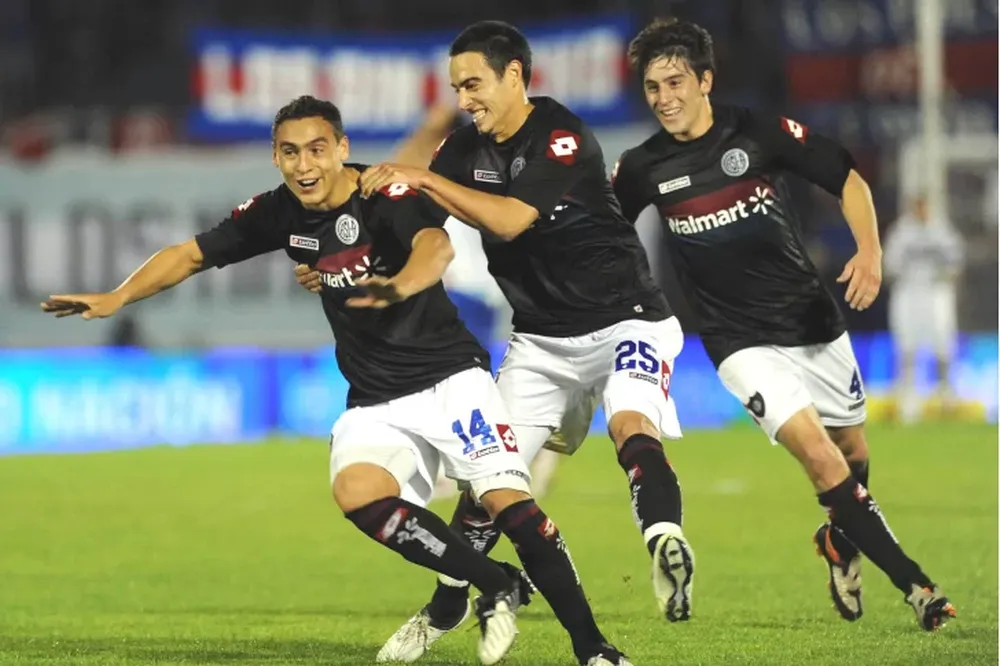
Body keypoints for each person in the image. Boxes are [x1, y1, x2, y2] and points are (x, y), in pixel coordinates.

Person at [41, 95, 625, 666]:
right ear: (275, 157)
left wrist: (397, 286)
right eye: (290, 152)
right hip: (375, 397)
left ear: (342, 149)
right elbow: (191, 254)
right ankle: (494, 584)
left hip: (450, 379)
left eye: (318, 149)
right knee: (357, 494)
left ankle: (593, 650)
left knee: (509, 506)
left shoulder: (383, 193)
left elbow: (436, 246)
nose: (305, 165)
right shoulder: (280, 211)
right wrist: (117, 296)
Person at [297, 19, 691, 664]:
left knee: (632, 422)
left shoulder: (560, 135)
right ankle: (452, 600)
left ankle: (660, 543)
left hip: (627, 319)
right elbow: (404, 219)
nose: (465, 98)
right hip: (538, 343)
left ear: (515, 76)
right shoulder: (460, 151)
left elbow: (509, 219)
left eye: (473, 83)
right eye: (456, 87)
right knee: (487, 492)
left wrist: (423, 177)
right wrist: (339, 258)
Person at [611, 18, 955, 631]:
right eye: (652, 87)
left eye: (675, 82)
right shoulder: (644, 167)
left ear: (706, 80)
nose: (664, 98)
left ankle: (838, 544)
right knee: (823, 461)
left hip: (813, 321)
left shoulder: (757, 133)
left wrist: (870, 252)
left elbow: (845, 175)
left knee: (853, 456)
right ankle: (918, 586)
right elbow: (600, 231)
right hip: (738, 343)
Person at [883, 195, 965, 422]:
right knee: (907, 349)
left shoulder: (942, 231)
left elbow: (956, 264)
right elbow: (889, 265)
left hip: (936, 293)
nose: (921, 210)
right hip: (909, 293)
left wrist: (945, 278)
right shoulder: (902, 233)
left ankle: (947, 399)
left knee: (943, 346)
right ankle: (909, 404)